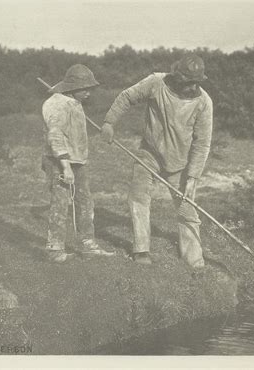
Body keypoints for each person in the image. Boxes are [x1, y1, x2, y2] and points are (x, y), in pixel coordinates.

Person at [101, 54, 213, 268]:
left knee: (187, 209)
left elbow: (203, 143)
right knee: (138, 197)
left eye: (196, 83)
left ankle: (194, 260)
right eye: (188, 82)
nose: (192, 87)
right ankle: (141, 250)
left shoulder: (204, 103)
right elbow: (127, 97)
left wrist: (193, 177)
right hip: (149, 153)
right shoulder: (156, 83)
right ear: (177, 77)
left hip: (181, 162)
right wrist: (109, 122)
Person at [42, 64, 115, 263]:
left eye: (90, 88)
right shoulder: (56, 104)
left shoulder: (74, 103)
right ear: (73, 87)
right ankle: (54, 249)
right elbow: (55, 136)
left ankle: (87, 244)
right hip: (60, 161)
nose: (89, 92)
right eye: (85, 88)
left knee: (85, 201)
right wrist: (65, 167)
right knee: (60, 201)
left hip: (78, 161)